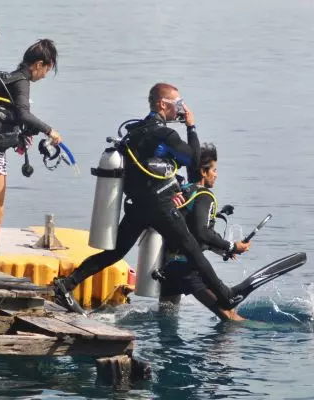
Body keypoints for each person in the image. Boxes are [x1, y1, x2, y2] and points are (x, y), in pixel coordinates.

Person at [53, 83, 239, 315]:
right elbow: (193, 160)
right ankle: (225, 295)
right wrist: (191, 126)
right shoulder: (165, 133)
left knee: (116, 252)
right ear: (162, 104)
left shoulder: (135, 130)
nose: (180, 109)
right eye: (177, 104)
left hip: (137, 205)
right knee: (191, 247)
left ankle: (66, 285)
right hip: (159, 205)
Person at [0, 39, 62, 288]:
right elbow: (24, 113)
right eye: (47, 70)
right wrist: (50, 131)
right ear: (39, 64)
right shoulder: (21, 82)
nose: (44, 75)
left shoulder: (3, 78)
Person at [159, 142, 250, 322]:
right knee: (230, 317)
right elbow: (202, 232)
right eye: (214, 170)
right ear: (203, 171)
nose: (216, 175)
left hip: (168, 267)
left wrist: (220, 249)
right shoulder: (205, 197)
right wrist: (232, 246)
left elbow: (188, 231)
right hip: (187, 269)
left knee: (166, 320)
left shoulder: (183, 192)